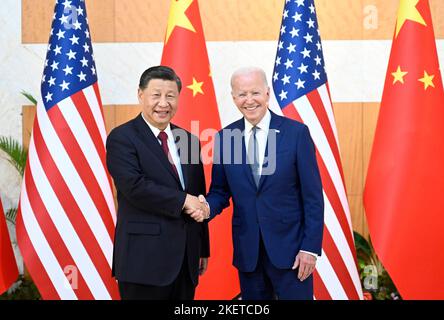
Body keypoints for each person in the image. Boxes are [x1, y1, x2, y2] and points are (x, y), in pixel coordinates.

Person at [196, 67, 324, 300]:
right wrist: (205, 208)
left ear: (267, 93)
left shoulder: (296, 134)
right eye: (242, 94)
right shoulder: (226, 137)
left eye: (255, 92)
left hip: (293, 254)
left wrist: (310, 248)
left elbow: (313, 197)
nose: (249, 100)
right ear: (234, 98)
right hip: (249, 254)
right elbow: (220, 191)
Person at [106, 66, 210, 300]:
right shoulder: (122, 138)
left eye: (170, 96)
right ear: (140, 95)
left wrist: (202, 248)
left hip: (186, 259)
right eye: (156, 95)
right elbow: (134, 187)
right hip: (143, 261)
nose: (163, 103)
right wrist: (183, 201)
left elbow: (198, 194)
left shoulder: (189, 140)